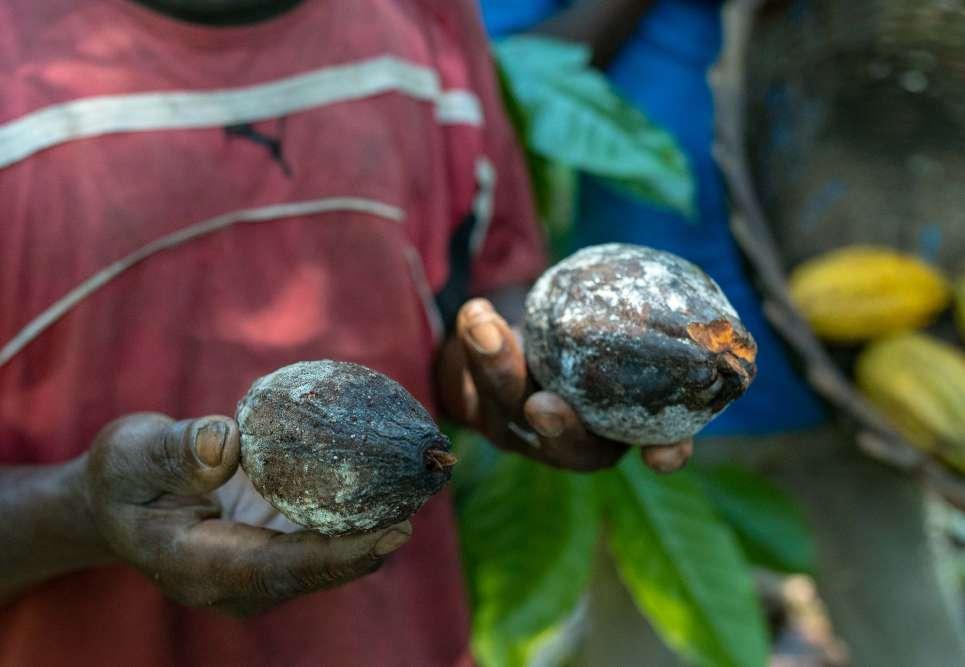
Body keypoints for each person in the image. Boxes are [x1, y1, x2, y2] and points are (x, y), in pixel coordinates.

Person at [0, 1, 690, 665]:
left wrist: (510, 384)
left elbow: (480, 305)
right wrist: (80, 511)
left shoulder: (428, 18)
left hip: (397, 635)